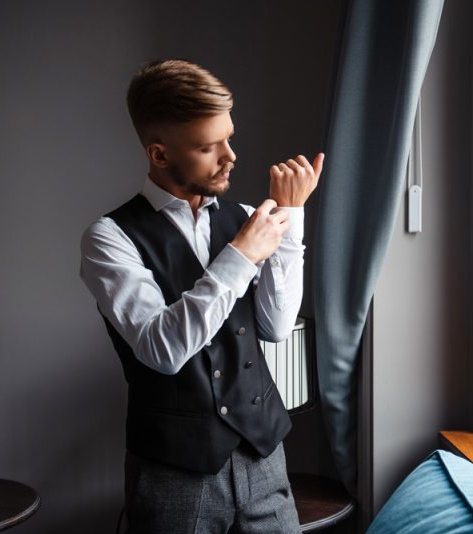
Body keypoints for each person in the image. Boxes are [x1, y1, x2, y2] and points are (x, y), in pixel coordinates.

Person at [79, 58, 323, 534]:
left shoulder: (246, 216)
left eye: (229, 138)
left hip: (264, 459)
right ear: (160, 154)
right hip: (174, 475)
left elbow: (275, 327)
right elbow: (161, 350)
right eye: (209, 147)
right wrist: (240, 255)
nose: (230, 156)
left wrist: (290, 218)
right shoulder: (109, 238)